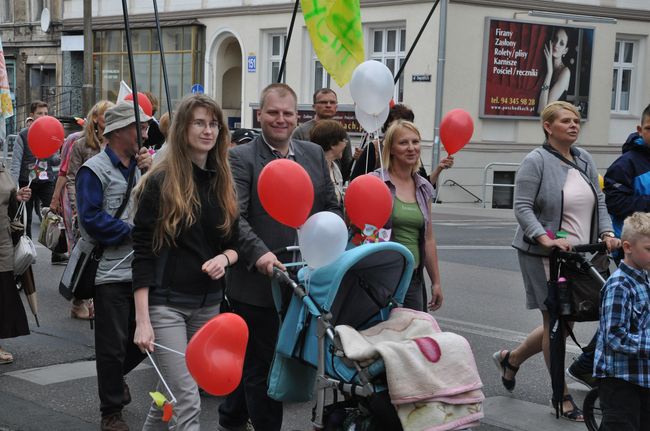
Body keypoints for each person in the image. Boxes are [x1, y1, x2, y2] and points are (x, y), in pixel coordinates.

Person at [217, 83, 341, 431]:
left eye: (288, 113)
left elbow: (331, 208)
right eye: (273, 112)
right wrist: (260, 255)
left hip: (305, 279)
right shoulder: (240, 158)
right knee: (264, 366)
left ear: (297, 116)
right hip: (258, 284)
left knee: (261, 362)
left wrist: (333, 245)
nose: (281, 120)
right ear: (260, 115)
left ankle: (230, 419)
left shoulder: (314, 154)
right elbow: (234, 217)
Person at [493, 101, 619, 421]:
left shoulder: (584, 158)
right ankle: (559, 396)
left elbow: (599, 200)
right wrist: (544, 237)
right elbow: (522, 208)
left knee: (565, 322)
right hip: (544, 255)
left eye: (577, 121)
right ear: (549, 126)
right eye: (566, 121)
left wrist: (606, 232)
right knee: (556, 322)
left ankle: (512, 359)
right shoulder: (535, 161)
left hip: (579, 256)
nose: (574, 125)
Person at [132, 94, 239, 428]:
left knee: (168, 393)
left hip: (207, 307)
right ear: (182, 129)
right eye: (199, 123)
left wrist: (224, 258)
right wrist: (143, 320)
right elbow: (143, 253)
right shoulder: (160, 182)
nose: (208, 131)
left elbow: (235, 244)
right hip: (167, 307)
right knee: (187, 399)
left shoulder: (223, 181)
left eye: (213, 124)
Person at [76, 101, 153, 431]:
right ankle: (111, 412)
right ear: (120, 131)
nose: (147, 134)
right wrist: (132, 232)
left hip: (143, 268)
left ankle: (115, 374)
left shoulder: (142, 166)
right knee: (110, 344)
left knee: (151, 335)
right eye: (142, 127)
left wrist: (151, 172)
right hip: (108, 271)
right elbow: (90, 219)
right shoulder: (92, 170)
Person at [565, 103, 650, 388]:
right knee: (625, 308)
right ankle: (587, 365)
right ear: (640, 130)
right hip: (630, 247)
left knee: (640, 310)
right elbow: (615, 203)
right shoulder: (626, 164)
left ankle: (585, 364)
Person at [369, 120, 443, 312]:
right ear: (391, 148)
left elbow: (428, 238)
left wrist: (436, 282)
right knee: (383, 336)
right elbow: (363, 232)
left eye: (415, 142)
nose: (411, 148)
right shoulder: (375, 183)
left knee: (414, 336)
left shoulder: (423, 187)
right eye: (403, 143)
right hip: (382, 277)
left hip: (413, 278)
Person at [593, 212, 650, 431]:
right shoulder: (619, 287)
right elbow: (615, 337)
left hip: (641, 375)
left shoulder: (644, 277)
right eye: (649, 249)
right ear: (627, 247)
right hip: (619, 379)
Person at [59, 100, 114, 320]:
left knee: (105, 255)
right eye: (106, 114)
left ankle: (97, 301)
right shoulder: (82, 144)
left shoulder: (115, 142)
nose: (109, 118)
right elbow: (71, 178)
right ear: (95, 118)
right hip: (85, 209)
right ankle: (78, 301)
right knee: (85, 254)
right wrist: (75, 207)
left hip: (109, 207)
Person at [350, 103, 454, 190]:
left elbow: (424, 186)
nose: (410, 148)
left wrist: (439, 169)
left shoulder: (411, 152)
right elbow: (355, 183)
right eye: (395, 126)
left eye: (405, 126)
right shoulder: (374, 149)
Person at [10, 101, 64, 263]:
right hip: (27, 182)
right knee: (24, 220)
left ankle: (57, 252)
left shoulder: (51, 133)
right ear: (32, 116)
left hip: (47, 181)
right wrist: (14, 188)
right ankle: (26, 253)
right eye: (40, 113)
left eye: (46, 113)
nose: (43, 116)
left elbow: (56, 161)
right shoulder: (23, 135)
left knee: (54, 216)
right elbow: (16, 162)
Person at [0, 163, 31, 364]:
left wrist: (17, 196)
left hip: (3, 240)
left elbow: (9, 200)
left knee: (3, 290)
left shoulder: (2, 168)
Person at [292, 88, 353, 181]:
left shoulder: (342, 133)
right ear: (314, 106)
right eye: (323, 102)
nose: (328, 105)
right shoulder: (300, 132)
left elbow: (346, 167)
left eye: (332, 102)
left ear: (336, 107)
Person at [309, 119, 347, 202]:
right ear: (333, 144)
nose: (345, 144)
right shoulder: (313, 171)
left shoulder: (335, 167)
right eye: (344, 140)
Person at [537, 27, 573, 115]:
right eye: (555, 39)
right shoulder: (544, 65)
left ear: (565, 50)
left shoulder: (565, 72)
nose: (556, 44)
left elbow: (542, 111)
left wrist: (550, 73)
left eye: (561, 43)